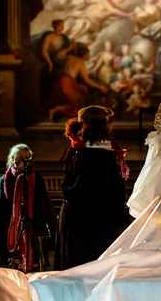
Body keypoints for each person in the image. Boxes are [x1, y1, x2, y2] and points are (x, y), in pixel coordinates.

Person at [55, 106, 131, 270]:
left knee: (75, 271)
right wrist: (123, 222)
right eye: (107, 122)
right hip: (94, 223)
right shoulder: (101, 157)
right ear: (101, 126)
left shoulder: (74, 150)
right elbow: (110, 193)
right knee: (95, 271)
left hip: (73, 219)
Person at [0, 144, 56, 272]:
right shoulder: (5, 180)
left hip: (32, 219)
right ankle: (9, 266)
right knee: (2, 231)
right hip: (11, 221)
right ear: (13, 158)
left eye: (27, 157)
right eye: (20, 157)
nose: (24, 161)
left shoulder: (36, 178)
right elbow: (3, 204)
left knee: (31, 229)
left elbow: (41, 203)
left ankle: (32, 267)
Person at [48, 46, 110, 120]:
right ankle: (56, 110)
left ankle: (56, 110)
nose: (89, 56)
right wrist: (100, 87)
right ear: (84, 55)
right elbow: (87, 80)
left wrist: (69, 48)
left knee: (82, 89)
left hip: (59, 81)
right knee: (75, 106)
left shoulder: (70, 57)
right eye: (88, 54)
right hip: (67, 83)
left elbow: (59, 56)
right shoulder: (80, 62)